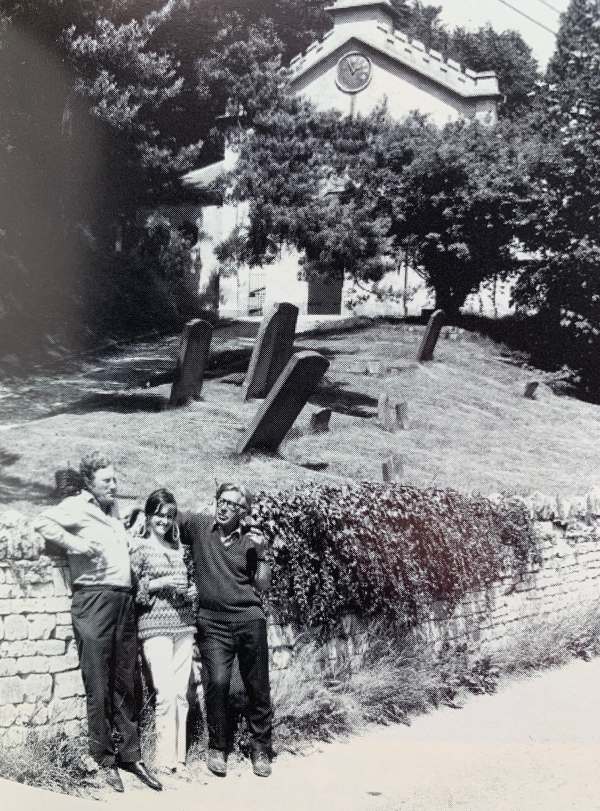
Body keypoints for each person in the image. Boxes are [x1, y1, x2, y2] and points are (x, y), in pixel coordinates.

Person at [33, 451, 162, 794]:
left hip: (123, 601)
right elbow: (42, 522)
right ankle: (104, 758)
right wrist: (76, 543)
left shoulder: (112, 509)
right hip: (93, 600)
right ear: (89, 482)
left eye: (115, 480)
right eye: (108, 481)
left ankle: (131, 755)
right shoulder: (77, 506)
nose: (115, 486)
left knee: (126, 679)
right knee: (99, 680)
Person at [178, 483, 273, 778]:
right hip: (212, 623)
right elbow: (168, 513)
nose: (224, 507)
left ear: (243, 513)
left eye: (232, 504)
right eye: (221, 501)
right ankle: (218, 746)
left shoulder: (251, 541)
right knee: (217, 682)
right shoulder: (200, 526)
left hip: (249, 619)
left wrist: (264, 553)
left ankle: (260, 748)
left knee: (256, 685)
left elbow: (263, 585)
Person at [129, 489, 196, 774]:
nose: (165, 521)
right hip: (154, 627)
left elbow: (189, 585)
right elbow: (132, 592)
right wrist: (161, 582)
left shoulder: (180, 550)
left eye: (170, 516)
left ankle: (178, 759)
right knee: (165, 693)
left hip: (183, 625)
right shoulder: (139, 548)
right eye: (159, 515)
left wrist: (192, 591)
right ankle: (162, 759)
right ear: (148, 515)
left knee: (181, 694)